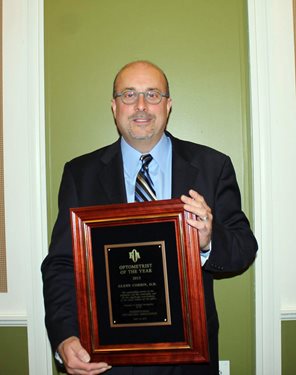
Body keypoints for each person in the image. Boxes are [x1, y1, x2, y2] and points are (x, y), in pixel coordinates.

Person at [41, 60, 258, 375]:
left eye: (153, 95)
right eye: (129, 95)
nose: (141, 105)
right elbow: (61, 264)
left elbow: (244, 248)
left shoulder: (212, 166)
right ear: (114, 107)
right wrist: (64, 336)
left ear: (168, 105)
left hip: (189, 359)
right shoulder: (80, 174)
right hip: (106, 361)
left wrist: (208, 241)